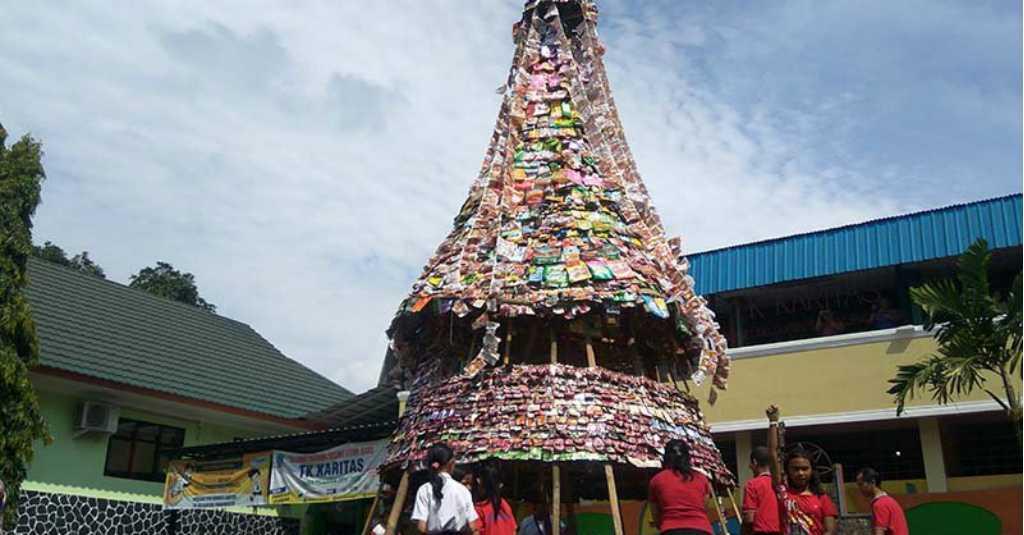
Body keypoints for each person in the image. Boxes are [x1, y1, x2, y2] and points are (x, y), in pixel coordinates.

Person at [767, 406, 837, 535]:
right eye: (795, 469)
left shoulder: (822, 498)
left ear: (812, 470)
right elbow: (772, 455)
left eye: (805, 469)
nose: (800, 473)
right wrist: (773, 422)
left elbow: (830, 530)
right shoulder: (783, 492)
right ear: (788, 470)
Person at [648, 439, 714, 535]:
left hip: (671, 529)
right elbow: (704, 507)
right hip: (701, 529)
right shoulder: (702, 478)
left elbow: (655, 514)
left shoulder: (657, 480)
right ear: (688, 457)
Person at [410, 443, 479, 535]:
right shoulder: (462, 490)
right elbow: (473, 527)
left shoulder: (424, 490)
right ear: (451, 463)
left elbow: (421, 527)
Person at [855, 468, 908, 535]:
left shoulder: (879, 504)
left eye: (861, 484)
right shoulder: (888, 501)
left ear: (872, 482)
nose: (859, 489)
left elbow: (879, 531)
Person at [741, 446, 780, 535]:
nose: (749, 466)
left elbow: (749, 518)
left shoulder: (752, 485)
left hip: (760, 531)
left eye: (750, 463)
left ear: (755, 462)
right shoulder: (780, 484)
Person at [472, 463, 517, 535]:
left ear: (480, 483)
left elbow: (475, 532)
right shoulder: (504, 504)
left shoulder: (479, 509)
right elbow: (514, 531)